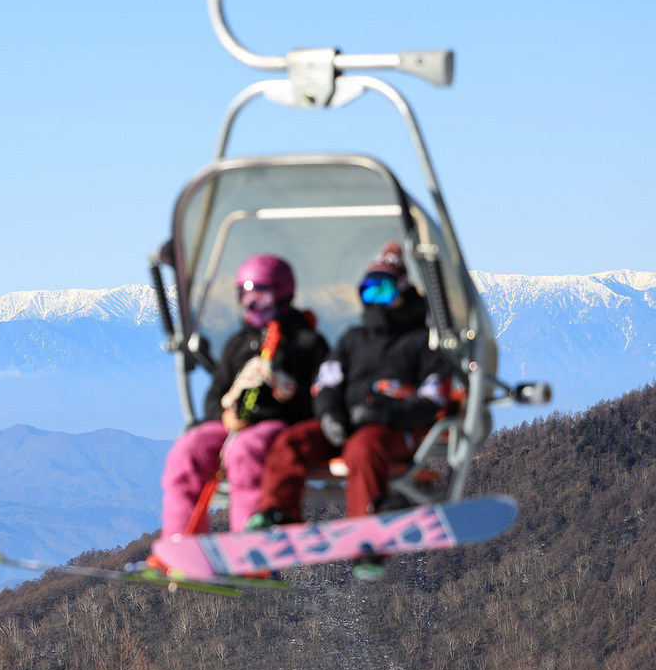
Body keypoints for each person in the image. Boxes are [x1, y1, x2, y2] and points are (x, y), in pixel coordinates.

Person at [254, 241, 453, 578]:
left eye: (383, 291)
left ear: (403, 290)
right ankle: (279, 516)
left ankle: (367, 540)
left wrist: (385, 414)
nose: (374, 301)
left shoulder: (423, 342)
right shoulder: (353, 338)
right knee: (293, 441)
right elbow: (327, 382)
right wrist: (329, 415)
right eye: (367, 291)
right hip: (347, 423)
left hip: (392, 430)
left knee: (363, 448)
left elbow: (433, 399)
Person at [158, 254, 328, 539]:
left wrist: (289, 394)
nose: (251, 302)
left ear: (282, 294)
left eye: (260, 294)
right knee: (188, 450)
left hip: (278, 423)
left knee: (245, 451)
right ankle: (180, 539)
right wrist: (224, 414)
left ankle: (251, 540)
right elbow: (215, 393)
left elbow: (319, 401)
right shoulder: (239, 343)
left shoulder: (306, 343)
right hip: (235, 422)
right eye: (245, 294)